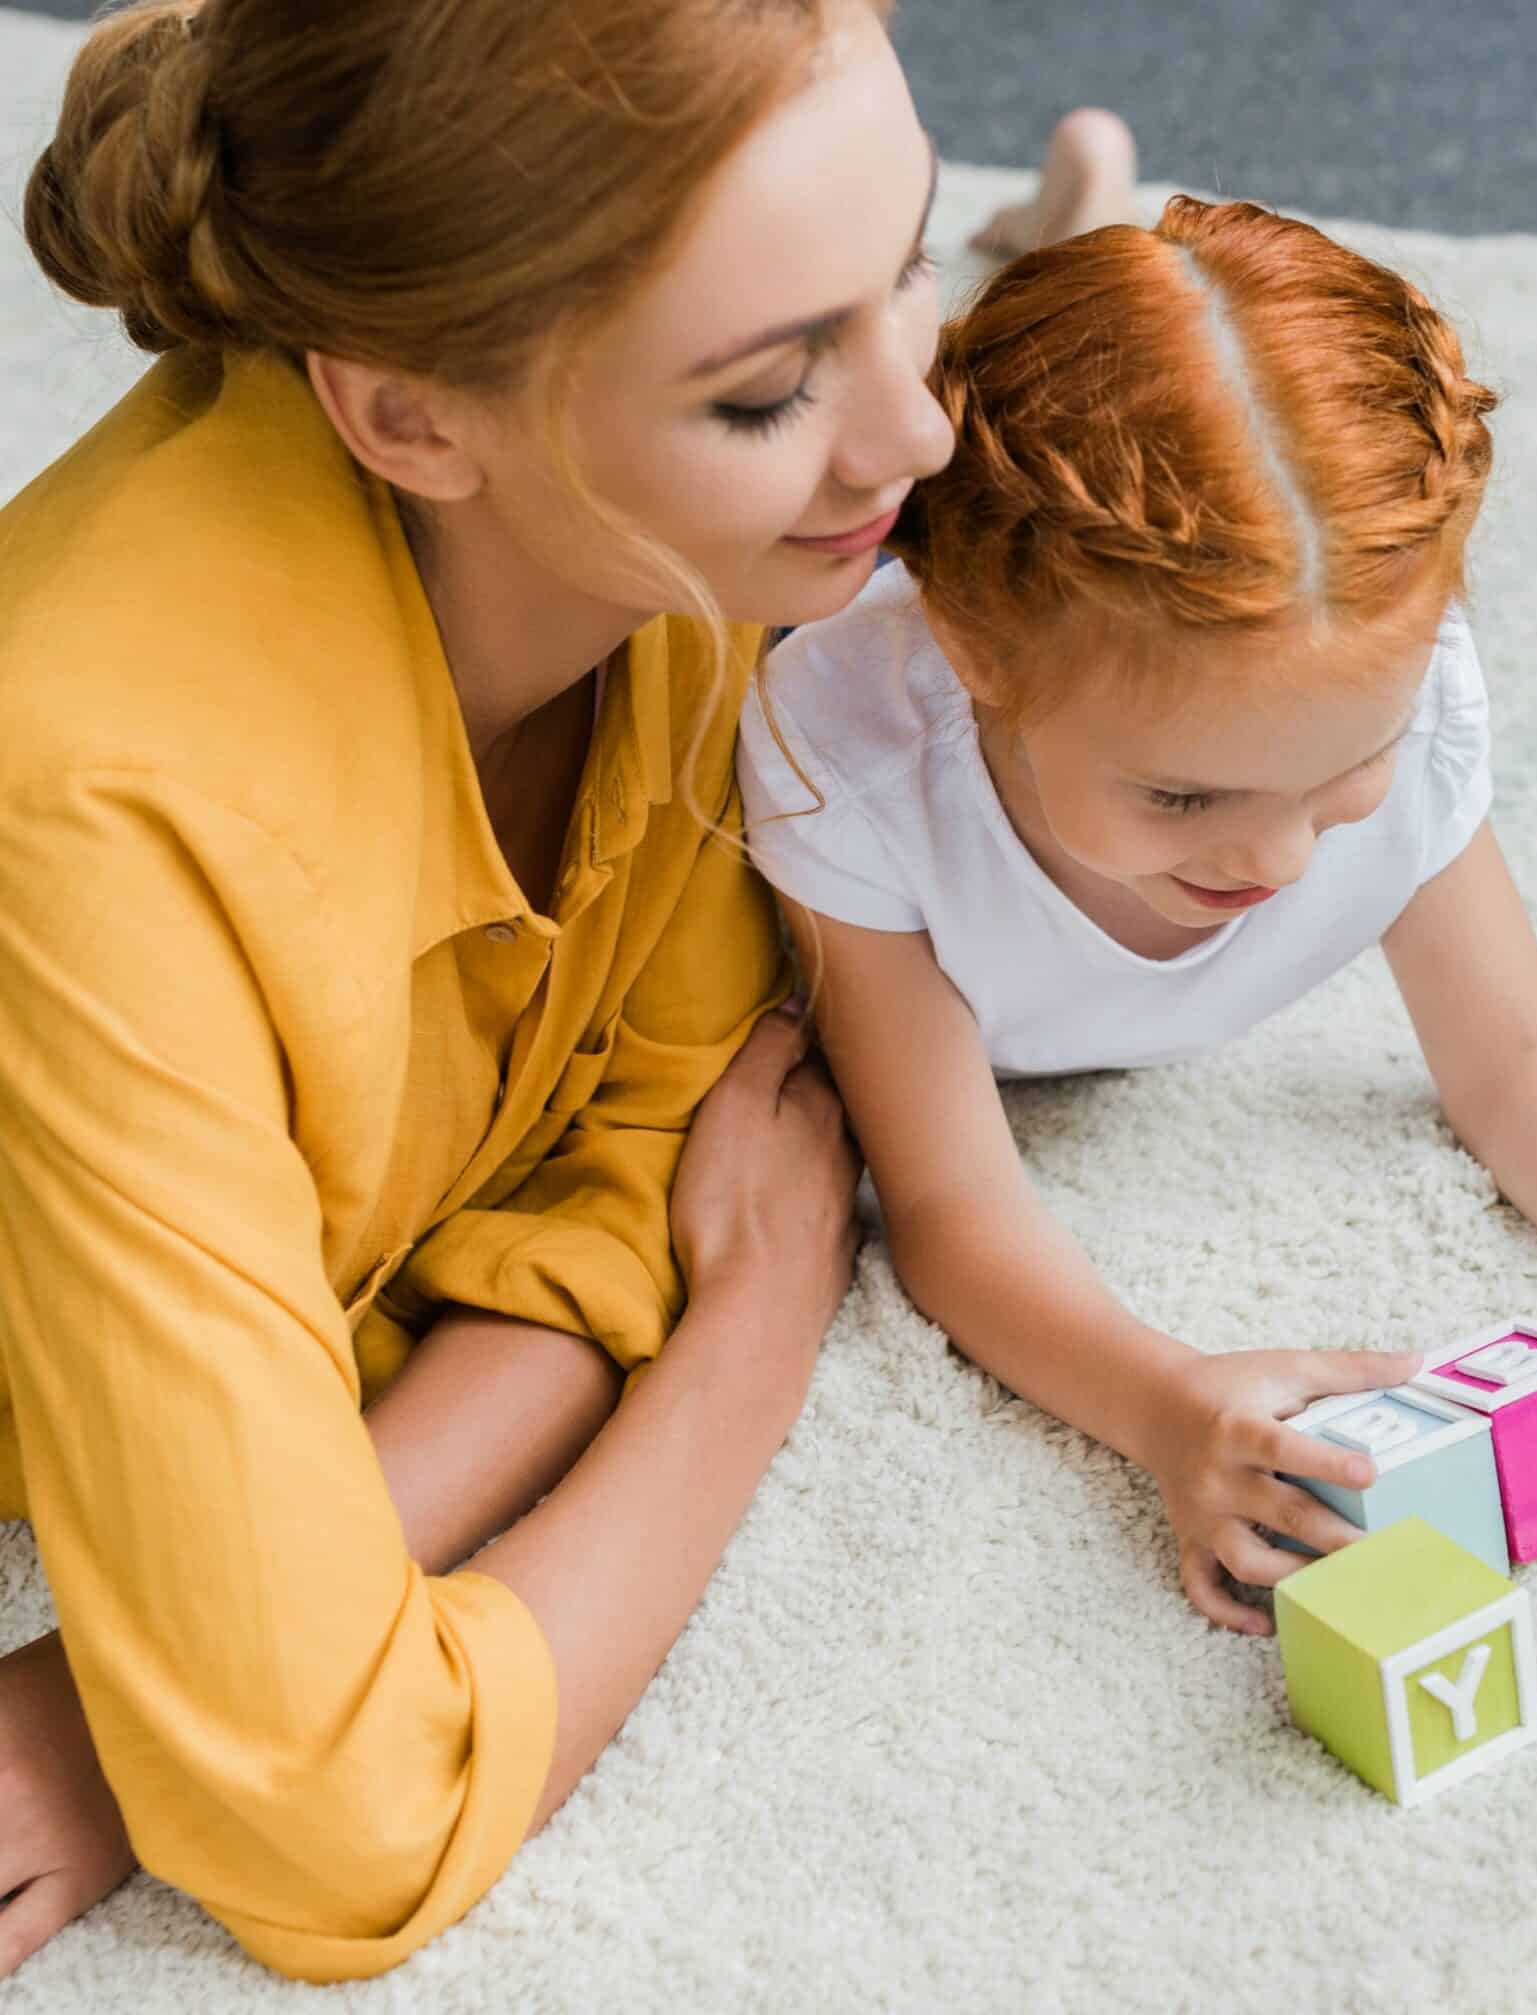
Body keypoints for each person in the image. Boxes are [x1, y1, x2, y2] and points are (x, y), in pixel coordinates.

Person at [0, 0, 1115, 1982]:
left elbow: (636, 1152)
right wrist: (753, 1331)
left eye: (907, 274)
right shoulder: (90, 804)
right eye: (774, 388)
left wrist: (150, 1697)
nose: (918, 437)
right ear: (411, 417)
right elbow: (338, 1831)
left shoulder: (672, 568)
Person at [738, 197, 1537, 1637]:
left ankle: (1075, 204)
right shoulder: (849, 759)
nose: (1277, 861)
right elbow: (947, 1205)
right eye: (1185, 800)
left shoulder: (1402, 685)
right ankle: (1069, 207)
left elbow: (1520, 1070)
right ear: (967, 653)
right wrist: (1164, 1402)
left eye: (1338, 780)